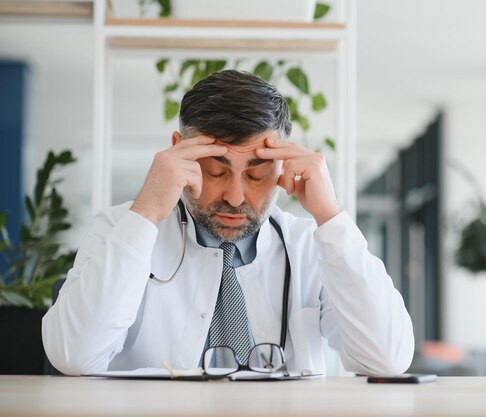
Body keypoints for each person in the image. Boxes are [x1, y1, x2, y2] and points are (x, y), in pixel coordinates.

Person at [42, 70, 414, 376]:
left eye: (256, 175)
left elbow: (387, 360)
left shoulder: (309, 246)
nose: (235, 197)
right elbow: (74, 356)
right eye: (216, 171)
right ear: (177, 151)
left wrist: (330, 216)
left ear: (283, 164)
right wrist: (147, 213)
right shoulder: (121, 229)